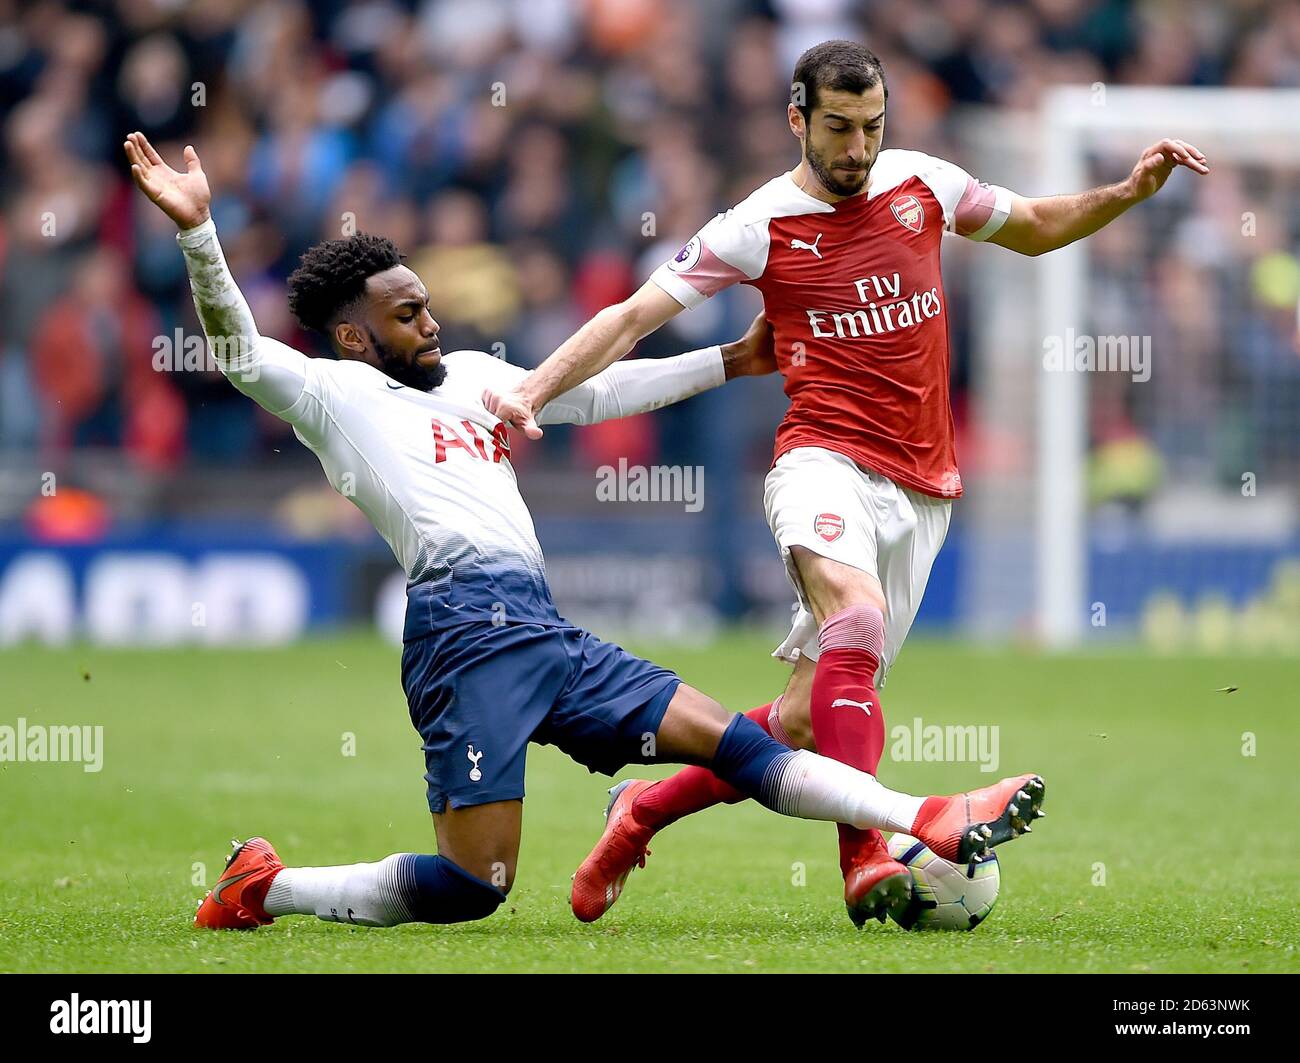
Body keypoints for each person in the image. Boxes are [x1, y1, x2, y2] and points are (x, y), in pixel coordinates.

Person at [124, 130, 1044, 931]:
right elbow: (240, 350)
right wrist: (199, 232)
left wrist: (728, 359)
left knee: (743, 744)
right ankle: (266, 887)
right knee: (474, 884)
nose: (433, 321)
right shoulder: (330, 394)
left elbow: (596, 391)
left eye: (429, 303)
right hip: (461, 634)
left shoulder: (473, 376)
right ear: (357, 336)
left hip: (541, 623)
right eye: (409, 314)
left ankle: (925, 817)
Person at [485, 39, 1204, 926]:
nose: (859, 148)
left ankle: (642, 810)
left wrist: (1125, 195)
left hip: (924, 488)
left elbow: (1036, 228)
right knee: (852, 617)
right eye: (838, 128)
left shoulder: (923, 183)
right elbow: (633, 315)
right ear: (798, 120)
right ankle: (866, 852)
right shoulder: (758, 224)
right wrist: (531, 388)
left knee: (800, 722)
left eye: (871, 126)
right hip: (820, 460)